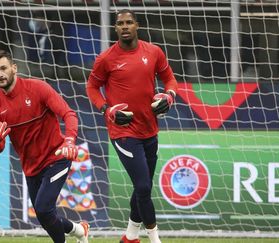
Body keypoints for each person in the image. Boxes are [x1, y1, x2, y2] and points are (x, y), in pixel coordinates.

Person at [86, 9, 178, 243]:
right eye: (120, 24)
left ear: (137, 25)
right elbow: (92, 87)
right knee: (144, 185)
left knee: (142, 188)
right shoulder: (106, 59)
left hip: (150, 129)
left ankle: (130, 237)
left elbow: (169, 78)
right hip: (123, 132)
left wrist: (169, 95)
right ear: (115, 28)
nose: (125, 26)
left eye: (129, 22)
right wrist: (107, 110)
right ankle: (155, 239)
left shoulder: (154, 52)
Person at [0, 50, 89, 243]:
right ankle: (79, 230)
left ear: (14, 68)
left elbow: (69, 114)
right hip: (31, 167)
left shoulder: (38, 88)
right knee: (44, 216)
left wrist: (69, 141)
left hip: (57, 157)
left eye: (3, 68)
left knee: (42, 208)